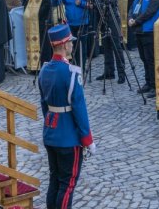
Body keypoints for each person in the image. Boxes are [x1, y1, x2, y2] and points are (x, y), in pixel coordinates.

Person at [38, 23, 94, 209]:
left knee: (55, 180)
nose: (71, 45)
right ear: (63, 45)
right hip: (68, 137)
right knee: (67, 185)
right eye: (69, 42)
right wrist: (87, 139)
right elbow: (79, 108)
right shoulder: (71, 73)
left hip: (50, 132)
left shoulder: (44, 70)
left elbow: (44, 104)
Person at [127, 0, 159, 91]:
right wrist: (130, 17)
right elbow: (133, 6)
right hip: (140, 30)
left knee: (151, 59)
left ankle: (155, 85)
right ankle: (148, 82)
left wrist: (136, 21)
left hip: (149, 31)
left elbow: (150, 11)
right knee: (144, 59)